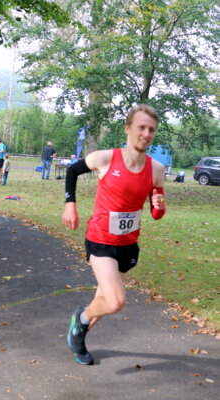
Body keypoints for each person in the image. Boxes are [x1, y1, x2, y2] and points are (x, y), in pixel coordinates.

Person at [62, 104, 166, 365]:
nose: (146, 133)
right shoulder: (105, 158)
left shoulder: (157, 170)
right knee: (115, 301)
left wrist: (159, 208)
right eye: (141, 127)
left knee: (103, 298)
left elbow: (156, 213)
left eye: (151, 129)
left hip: (129, 244)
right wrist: (70, 204)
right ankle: (81, 319)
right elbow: (72, 171)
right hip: (100, 241)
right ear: (128, 128)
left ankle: (79, 339)